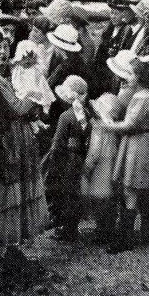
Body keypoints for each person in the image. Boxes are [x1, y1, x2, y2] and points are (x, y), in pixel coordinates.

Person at [0, 37, 50, 264]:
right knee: (6, 194)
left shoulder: (4, 75)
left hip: (19, 137)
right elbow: (18, 107)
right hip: (8, 139)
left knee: (18, 192)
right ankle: (0, 249)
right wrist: (35, 97)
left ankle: (12, 247)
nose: (3, 52)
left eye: (5, 47)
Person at [95, 54, 149, 252]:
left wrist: (105, 125)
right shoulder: (142, 94)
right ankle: (144, 232)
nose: (128, 77)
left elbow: (129, 124)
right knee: (141, 188)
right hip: (140, 142)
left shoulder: (142, 98)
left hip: (138, 145)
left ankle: (125, 238)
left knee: (130, 188)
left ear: (140, 77)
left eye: (132, 74)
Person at [42, 75, 90, 242]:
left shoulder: (66, 116)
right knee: (76, 192)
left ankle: (67, 229)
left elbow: (58, 142)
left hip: (67, 158)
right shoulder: (87, 114)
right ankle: (72, 226)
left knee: (65, 192)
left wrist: (52, 162)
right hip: (82, 156)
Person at [83, 90, 123, 245]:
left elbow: (95, 149)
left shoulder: (99, 128)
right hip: (113, 161)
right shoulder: (114, 128)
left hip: (101, 166)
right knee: (111, 199)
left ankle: (102, 232)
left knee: (100, 200)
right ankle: (110, 228)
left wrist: (88, 166)